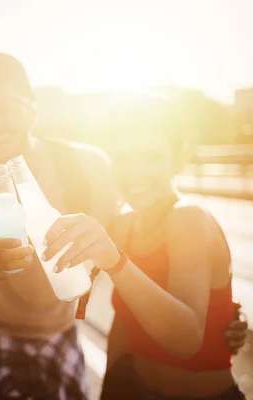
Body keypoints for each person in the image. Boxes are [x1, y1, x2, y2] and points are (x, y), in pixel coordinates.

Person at [0, 51, 248, 400]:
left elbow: (145, 237)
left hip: (63, 342)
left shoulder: (87, 166)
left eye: (6, 108)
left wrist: (219, 314)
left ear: (31, 109)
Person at [44, 96, 246, 399]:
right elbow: (125, 326)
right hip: (134, 388)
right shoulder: (124, 225)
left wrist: (115, 262)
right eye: (122, 158)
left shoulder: (187, 218)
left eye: (150, 157)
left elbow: (186, 340)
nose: (134, 171)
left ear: (179, 158)